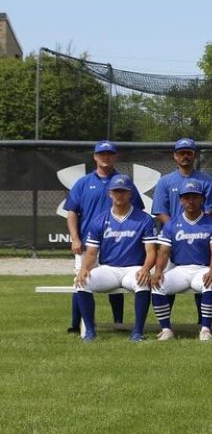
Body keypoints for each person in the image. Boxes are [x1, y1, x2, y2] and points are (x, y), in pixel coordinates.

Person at [64, 140, 144, 332]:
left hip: (117, 240)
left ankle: (118, 322)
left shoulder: (124, 181)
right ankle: (77, 325)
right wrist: (75, 238)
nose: (106, 157)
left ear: (115, 157)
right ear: (95, 157)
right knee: (81, 280)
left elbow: (138, 210)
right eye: (102, 154)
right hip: (87, 243)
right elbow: (72, 212)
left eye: (109, 154)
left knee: (116, 279)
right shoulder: (83, 183)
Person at [72, 174, 156, 342]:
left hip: (133, 268)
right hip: (108, 268)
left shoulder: (144, 219)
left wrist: (146, 269)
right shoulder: (100, 219)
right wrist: (84, 269)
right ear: (110, 193)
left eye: (123, 191)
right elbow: (91, 252)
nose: (120, 195)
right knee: (81, 282)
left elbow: (151, 251)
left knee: (142, 282)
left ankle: (137, 332)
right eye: (116, 191)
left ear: (130, 193)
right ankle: (90, 331)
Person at [152, 137, 212, 328]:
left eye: (189, 153)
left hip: (200, 238)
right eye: (181, 153)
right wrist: (175, 230)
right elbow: (160, 211)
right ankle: (166, 326)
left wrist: (194, 230)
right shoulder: (165, 181)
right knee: (165, 282)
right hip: (172, 238)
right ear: (175, 156)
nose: (185, 156)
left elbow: (210, 210)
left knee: (204, 280)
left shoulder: (205, 180)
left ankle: (203, 323)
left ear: (194, 155)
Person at [148, 180, 212, 341]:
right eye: (187, 197)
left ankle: (205, 329)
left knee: (209, 284)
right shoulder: (171, 224)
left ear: (202, 199)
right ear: (181, 200)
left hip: (202, 269)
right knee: (158, 285)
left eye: (195, 197)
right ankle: (166, 330)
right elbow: (164, 252)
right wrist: (158, 271)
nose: (191, 201)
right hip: (179, 269)